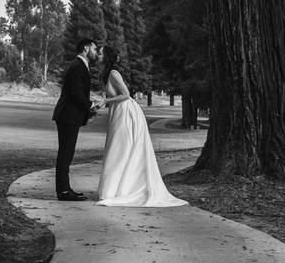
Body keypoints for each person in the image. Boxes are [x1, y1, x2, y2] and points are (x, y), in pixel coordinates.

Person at [96, 45, 187, 207]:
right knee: (118, 148)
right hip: (119, 111)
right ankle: (116, 189)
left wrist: (105, 101)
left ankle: (119, 190)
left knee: (119, 148)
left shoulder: (113, 73)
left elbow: (125, 95)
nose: (98, 54)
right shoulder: (107, 73)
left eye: (101, 52)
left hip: (126, 112)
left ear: (107, 56)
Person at [52, 37, 98, 201]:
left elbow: (78, 93)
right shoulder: (77, 66)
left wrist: (89, 107)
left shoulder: (79, 66)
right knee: (65, 154)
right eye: (94, 49)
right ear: (86, 49)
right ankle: (63, 191)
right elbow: (76, 93)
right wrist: (91, 105)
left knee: (67, 153)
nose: (96, 52)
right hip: (67, 116)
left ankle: (65, 189)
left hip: (70, 115)